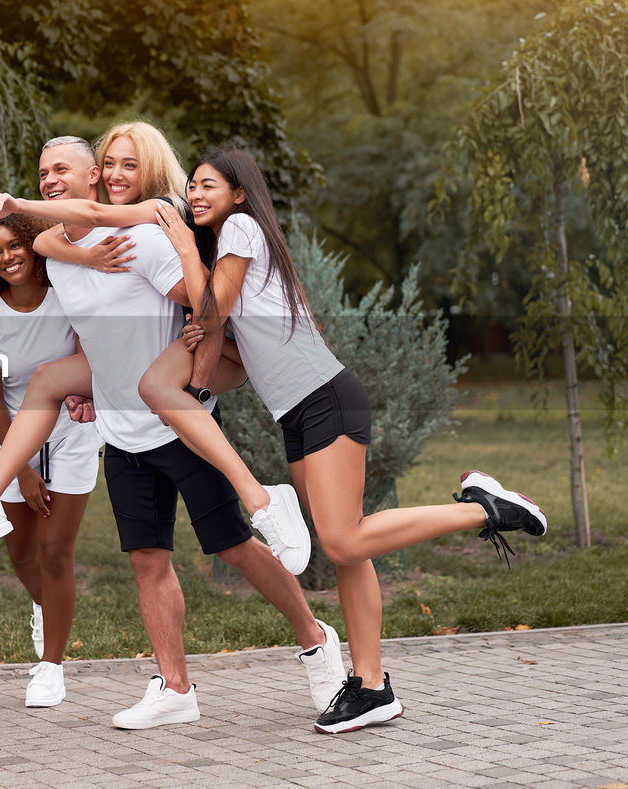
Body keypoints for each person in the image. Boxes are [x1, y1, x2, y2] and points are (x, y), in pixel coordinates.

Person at [0, 124, 348, 729]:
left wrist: (197, 320)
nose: (51, 181)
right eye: (42, 174)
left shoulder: (144, 240)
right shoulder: (56, 254)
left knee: (234, 548)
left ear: (91, 179)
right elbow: (62, 261)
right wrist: (93, 384)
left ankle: (315, 639)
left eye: (64, 172)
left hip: (179, 424)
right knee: (147, 561)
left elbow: (206, 307)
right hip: (122, 435)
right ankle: (175, 687)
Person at [125, 147, 547, 733]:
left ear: (240, 193)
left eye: (207, 185)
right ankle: (371, 687)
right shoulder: (230, 247)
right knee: (348, 545)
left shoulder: (243, 229)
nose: (194, 195)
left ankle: (482, 509)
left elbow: (211, 305)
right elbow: (217, 327)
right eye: (191, 186)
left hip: (326, 399)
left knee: (344, 542)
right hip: (300, 412)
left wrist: (181, 258)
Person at [0, 213, 105, 708]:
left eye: (15, 246)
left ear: (33, 247)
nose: (7, 258)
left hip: (72, 431)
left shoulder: (66, 297)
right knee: (21, 553)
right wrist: (21, 467)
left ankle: (51, 668)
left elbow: (90, 360)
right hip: (13, 434)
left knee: (56, 551)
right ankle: (45, 606)